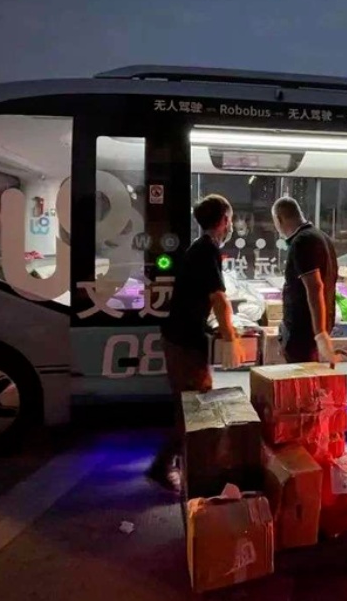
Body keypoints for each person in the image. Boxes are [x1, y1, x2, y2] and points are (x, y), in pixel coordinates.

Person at [147, 194, 246, 492]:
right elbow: (219, 298)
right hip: (184, 342)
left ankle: (182, 463)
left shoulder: (201, 248)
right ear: (225, 220)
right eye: (230, 220)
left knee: (191, 405)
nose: (231, 226)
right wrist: (231, 338)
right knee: (195, 407)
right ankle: (165, 466)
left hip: (182, 336)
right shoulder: (207, 250)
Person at [271, 196, 339, 364]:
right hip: (313, 329)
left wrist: (320, 333)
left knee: (301, 375)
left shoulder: (301, 242)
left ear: (279, 219)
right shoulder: (322, 237)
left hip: (302, 332)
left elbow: (315, 287)